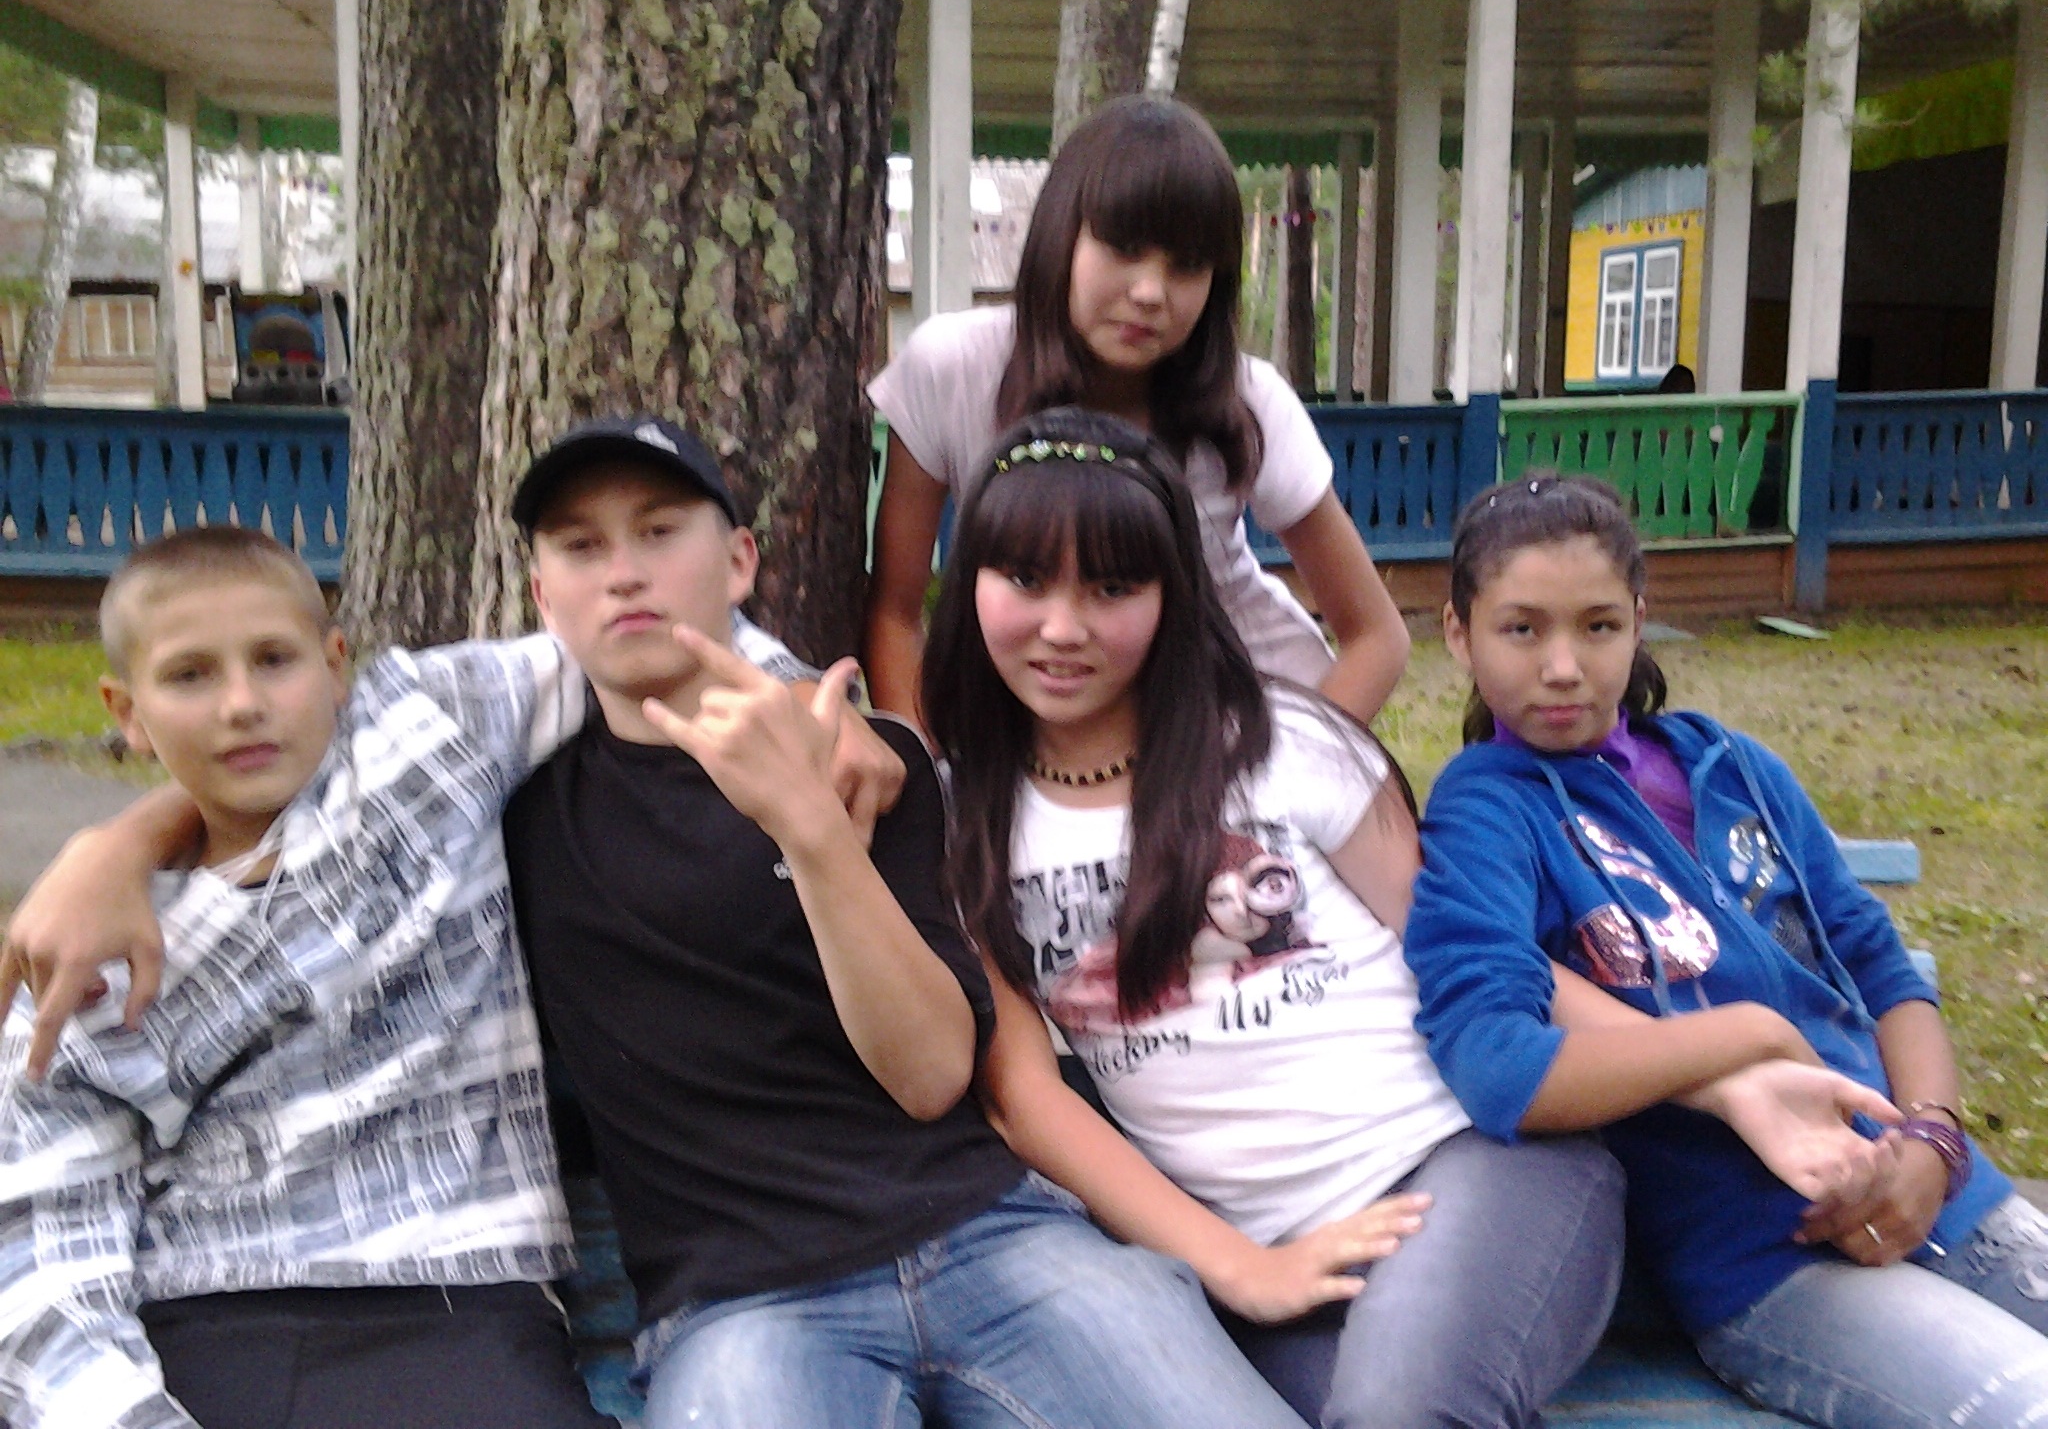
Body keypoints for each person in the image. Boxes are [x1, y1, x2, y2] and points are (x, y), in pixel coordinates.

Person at [493, 417, 1311, 1429]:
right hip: (740, 1301)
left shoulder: (873, 764)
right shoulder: (522, 825)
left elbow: (929, 1074)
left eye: (659, 532)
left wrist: (808, 830)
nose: (623, 573)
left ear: (739, 561)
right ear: (542, 597)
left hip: (989, 1234)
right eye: (582, 547)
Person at [917, 407, 1627, 1429]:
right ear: (969, 582)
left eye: (1111, 587)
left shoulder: (1280, 740)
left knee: (1402, 1413)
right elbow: (1028, 1098)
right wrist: (1241, 1268)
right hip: (1254, 1261)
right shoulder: (960, 821)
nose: (1063, 627)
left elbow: (1478, 960)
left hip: (1463, 1166)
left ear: (1172, 595)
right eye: (1026, 579)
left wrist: (1727, 1077)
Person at [1402, 470, 2048, 1429]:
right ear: (1460, 634)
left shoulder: (1738, 770)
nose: (1564, 666)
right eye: (1522, 629)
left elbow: (1877, 963)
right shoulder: (1487, 815)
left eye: (1599, 626)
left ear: (1639, 621)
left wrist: (1934, 1140)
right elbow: (1498, 1063)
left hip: (1950, 1199)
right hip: (1775, 1259)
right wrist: (1746, 1037)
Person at [0, 526, 611, 1429]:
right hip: (208, 1310)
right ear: (125, 710)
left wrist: (803, 712)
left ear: (335, 664)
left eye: (274, 660)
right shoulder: (87, 961)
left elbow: (643, 644)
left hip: (458, 1289)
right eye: (190, 676)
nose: (242, 704)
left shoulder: (425, 742)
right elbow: (42, 1260)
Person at [864, 95, 1409, 726]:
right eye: (1123, 248)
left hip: (1244, 718)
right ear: (1061, 234)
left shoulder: (1247, 400)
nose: (1151, 292)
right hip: (1046, 729)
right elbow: (894, 612)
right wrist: (927, 771)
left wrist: (1297, 772)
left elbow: (1377, 637)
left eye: (1188, 265)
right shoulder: (953, 370)